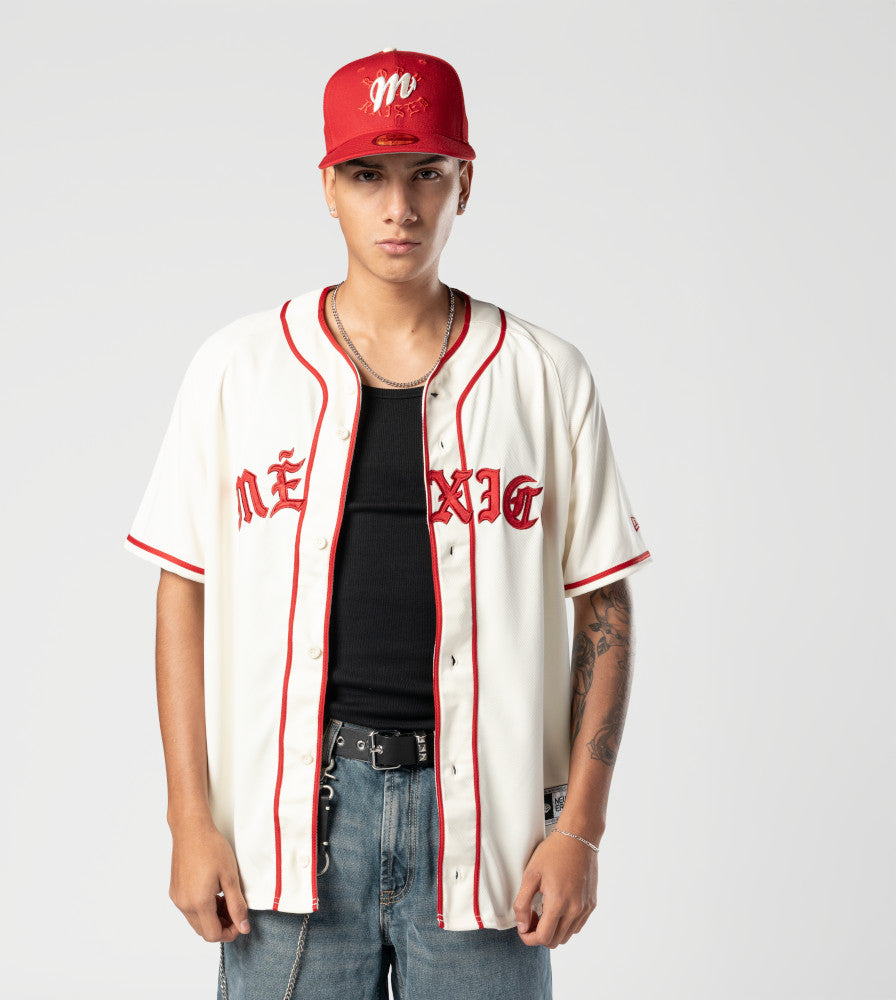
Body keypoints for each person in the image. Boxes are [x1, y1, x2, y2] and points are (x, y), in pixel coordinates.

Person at [123, 46, 654, 1000]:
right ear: (328, 186)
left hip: (488, 834)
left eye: (427, 175)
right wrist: (187, 819)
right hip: (293, 825)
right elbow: (181, 593)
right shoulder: (239, 370)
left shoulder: (543, 374)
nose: (399, 207)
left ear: (466, 184)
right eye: (368, 175)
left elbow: (604, 609)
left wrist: (581, 828)